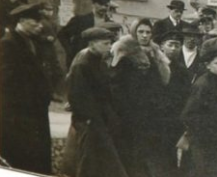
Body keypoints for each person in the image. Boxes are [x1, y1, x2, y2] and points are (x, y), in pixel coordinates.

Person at [62, 27, 127, 177]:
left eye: (110, 43)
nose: (110, 46)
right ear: (92, 44)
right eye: (105, 43)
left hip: (99, 118)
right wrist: (90, 119)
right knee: (90, 160)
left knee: (97, 160)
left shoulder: (97, 60)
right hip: (89, 121)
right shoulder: (83, 63)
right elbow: (77, 96)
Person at [111, 18, 171, 177]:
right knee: (129, 151)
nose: (145, 36)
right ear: (134, 32)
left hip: (149, 112)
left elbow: (159, 83)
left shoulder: (155, 52)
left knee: (146, 152)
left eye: (148, 32)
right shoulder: (124, 52)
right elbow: (117, 85)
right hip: (129, 112)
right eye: (141, 32)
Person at [0, 3, 53, 174]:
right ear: (22, 21)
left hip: (34, 111)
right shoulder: (8, 44)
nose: (40, 25)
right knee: (21, 158)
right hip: (18, 114)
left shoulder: (33, 42)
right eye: (35, 22)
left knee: (35, 157)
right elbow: (6, 82)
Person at [181, 48, 217, 177]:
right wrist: (210, 127)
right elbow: (189, 114)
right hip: (203, 140)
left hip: (216, 138)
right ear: (208, 66)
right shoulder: (203, 85)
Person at [156, 30, 192, 177]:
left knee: (170, 154)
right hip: (155, 117)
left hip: (173, 118)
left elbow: (185, 95)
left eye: (177, 45)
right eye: (170, 44)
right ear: (162, 46)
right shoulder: (154, 66)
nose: (173, 48)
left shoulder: (182, 70)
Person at [59, 0, 113, 66]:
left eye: (106, 5)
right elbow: (62, 35)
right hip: (80, 61)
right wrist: (70, 51)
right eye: (101, 4)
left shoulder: (111, 24)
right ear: (93, 4)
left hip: (100, 62)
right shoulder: (80, 20)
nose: (103, 8)